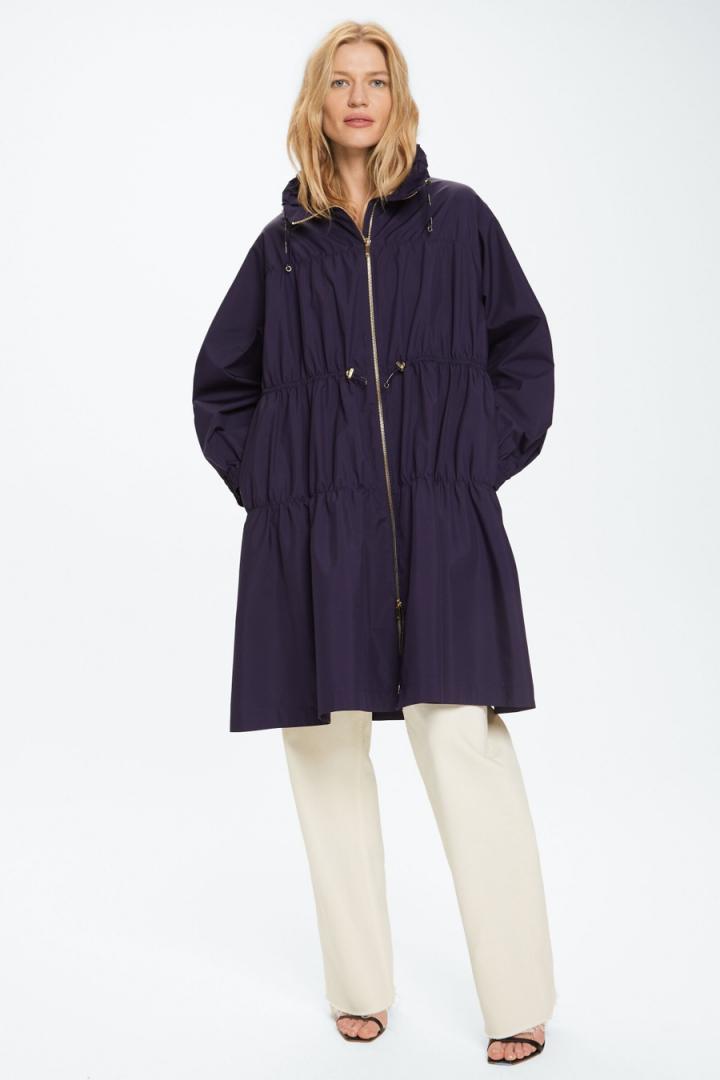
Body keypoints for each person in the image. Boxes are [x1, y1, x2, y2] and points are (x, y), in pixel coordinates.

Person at [192, 20, 557, 1067]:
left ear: (399, 99)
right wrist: (279, 485)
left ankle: (519, 996)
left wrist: (474, 458)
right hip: (320, 536)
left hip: (442, 525)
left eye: (377, 81)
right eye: (342, 82)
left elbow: (523, 352)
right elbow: (221, 387)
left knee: (463, 744)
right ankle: (359, 986)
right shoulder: (282, 251)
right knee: (326, 751)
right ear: (318, 101)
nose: (360, 98)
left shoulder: (458, 221)